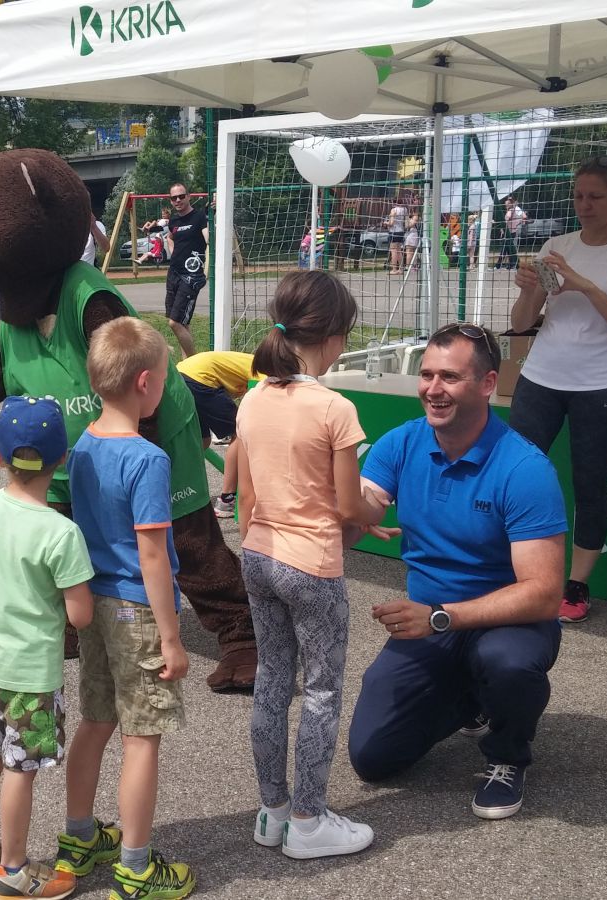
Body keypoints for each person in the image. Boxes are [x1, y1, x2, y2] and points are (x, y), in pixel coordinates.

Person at [347, 323, 568, 820]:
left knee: (507, 665)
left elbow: (543, 594)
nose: (433, 389)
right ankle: (472, 697)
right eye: (426, 375)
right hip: (435, 623)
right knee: (374, 758)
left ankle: (508, 753)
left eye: (449, 377)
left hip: (507, 623)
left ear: (488, 384)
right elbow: (361, 509)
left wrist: (439, 617)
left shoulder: (524, 468)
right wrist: (337, 501)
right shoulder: (402, 443)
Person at [238, 271, 389, 858]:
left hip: (258, 554)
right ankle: (309, 820)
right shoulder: (335, 408)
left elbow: (248, 495)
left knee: (272, 681)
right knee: (322, 690)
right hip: (312, 565)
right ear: (332, 336)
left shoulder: (253, 398)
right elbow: (349, 505)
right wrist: (373, 509)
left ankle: (272, 812)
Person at [57, 317, 194, 900]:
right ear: (145, 383)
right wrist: (172, 637)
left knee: (96, 721)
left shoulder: (84, 446)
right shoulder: (148, 459)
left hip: (94, 603)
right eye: (164, 377)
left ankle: (79, 837)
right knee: (141, 737)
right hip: (136, 609)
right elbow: (153, 555)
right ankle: (136, 869)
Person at [0, 397, 95, 899]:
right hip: (30, 676)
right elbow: (80, 615)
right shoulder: (61, 532)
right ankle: (13, 870)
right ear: (61, 459)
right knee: (20, 771)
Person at [507, 156, 607, 623]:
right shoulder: (557, 244)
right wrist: (529, 290)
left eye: (595, 196)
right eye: (578, 196)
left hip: (601, 386)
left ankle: (576, 585)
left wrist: (584, 285)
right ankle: (514, 569)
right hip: (540, 378)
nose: (585, 205)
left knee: (589, 484)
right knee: (516, 473)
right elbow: (521, 324)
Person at [175, 349, 253, 517]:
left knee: (202, 440)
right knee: (239, 432)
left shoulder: (258, 362)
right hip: (200, 379)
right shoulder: (269, 373)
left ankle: (179, 490)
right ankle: (227, 500)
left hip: (183, 375)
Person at [162, 184, 207, 358]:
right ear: (171, 201)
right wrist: (173, 251)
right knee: (182, 322)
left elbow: (208, 238)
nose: (178, 200)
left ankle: (195, 362)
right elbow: (170, 237)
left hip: (191, 276)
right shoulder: (174, 221)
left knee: (174, 323)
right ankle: (186, 364)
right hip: (174, 273)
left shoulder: (199, 217)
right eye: (174, 198)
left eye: (181, 196)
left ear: (189, 196)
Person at [500, 195, 528, 270]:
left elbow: (524, 217)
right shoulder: (511, 209)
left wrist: (517, 222)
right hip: (511, 230)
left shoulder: (516, 209)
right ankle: (511, 264)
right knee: (508, 248)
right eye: (506, 203)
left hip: (512, 231)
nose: (507, 204)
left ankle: (512, 265)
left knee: (509, 248)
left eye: (510, 202)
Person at [385, 201, 408, 274]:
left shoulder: (393, 210)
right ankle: (401, 269)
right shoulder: (405, 209)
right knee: (399, 251)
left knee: (393, 250)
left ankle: (394, 269)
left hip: (394, 231)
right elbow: (406, 222)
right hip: (401, 231)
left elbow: (391, 223)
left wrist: (385, 223)